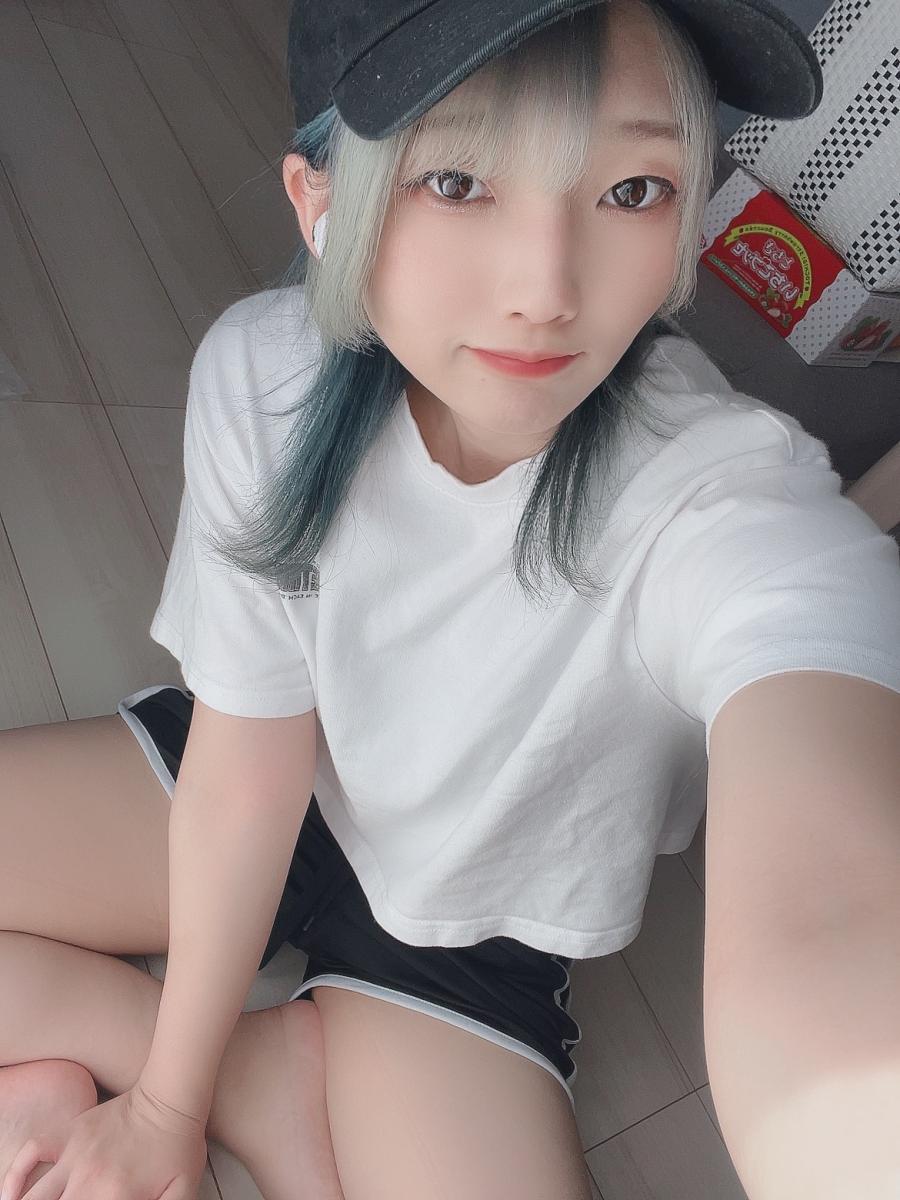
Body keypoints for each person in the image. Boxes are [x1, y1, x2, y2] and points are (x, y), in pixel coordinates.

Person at [2, 1, 899, 1199]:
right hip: (279, 771)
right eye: (460, 180)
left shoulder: (719, 492)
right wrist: (171, 1101)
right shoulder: (267, 377)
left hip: (482, 925)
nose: (546, 288)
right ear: (320, 200)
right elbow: (249, 767)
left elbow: (839, 917)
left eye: (632, 189)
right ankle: (264, 1081)